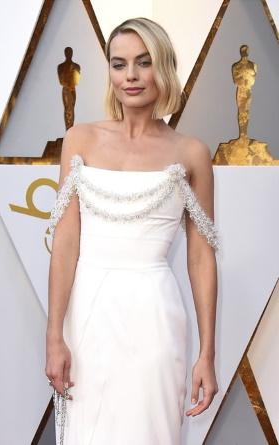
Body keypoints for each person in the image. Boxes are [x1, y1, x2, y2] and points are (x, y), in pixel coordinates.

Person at [45, 18, 218, 445]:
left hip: (155, 315)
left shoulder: (191, 152)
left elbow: (200, 257)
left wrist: (207, 354)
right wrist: (53, 337)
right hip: (88, 314)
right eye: (119, 64)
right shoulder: (78, 140)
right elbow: (66, 242)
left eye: (144, 62)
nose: (132, 76)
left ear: (163, 67)